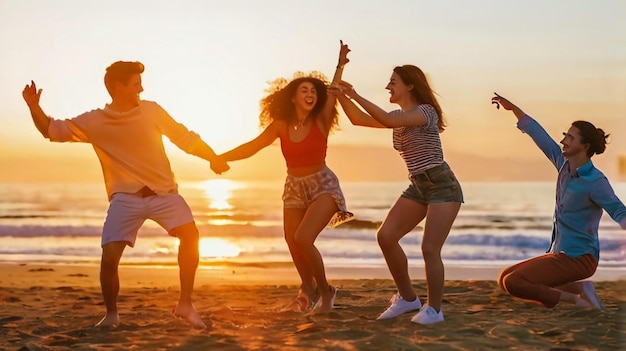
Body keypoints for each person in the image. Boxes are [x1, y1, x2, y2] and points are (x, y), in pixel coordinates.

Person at [21, 61, 229, 329]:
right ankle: (111, 314)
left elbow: (185, 138)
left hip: (164, 193)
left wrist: (212, 157)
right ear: (118, 87)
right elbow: (52, 131)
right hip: (125, 199)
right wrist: (33, 106)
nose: (141, 88)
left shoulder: (151, 111)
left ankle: (186, 305)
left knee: (191, 236)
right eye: (135, 84)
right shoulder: (95, 121)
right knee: (109, 258)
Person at [216, 41, 354, 312]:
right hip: (293, 186)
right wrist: (221, 158)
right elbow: (252, 146)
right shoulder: (281, 125)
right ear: (293, 97)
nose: (310, 93)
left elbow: (333, 93)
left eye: (313, 90)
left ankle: (326, 292)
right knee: (291, 240)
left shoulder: (321, 121)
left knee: (303, 238)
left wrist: (339, 66)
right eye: (304, 90)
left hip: (323, 184)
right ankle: (308, 288)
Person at [330, 62, 463, 324]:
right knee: (386, 236)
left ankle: (434, 310)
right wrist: (342, 96)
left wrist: (354, 94)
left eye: (393, 82)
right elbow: (358, 120)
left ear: (410, 85)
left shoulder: (425, 112)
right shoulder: (400, 118)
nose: (388, 86)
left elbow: (388, 119)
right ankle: (408, 298)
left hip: (442, 185)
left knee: (429, 248)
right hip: (418, 185)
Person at [492, 93, 626, 309]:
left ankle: (576, 300)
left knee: (514, 282)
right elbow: (538, 133)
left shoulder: (595, 181)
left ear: (585, 146)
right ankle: (581, 289)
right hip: (559, 254)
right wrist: (513, 108)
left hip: (580, 259)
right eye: (565, 135)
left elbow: (619, 211)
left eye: (571, 138)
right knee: (504, 278)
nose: (563, 140)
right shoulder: (563, 164)